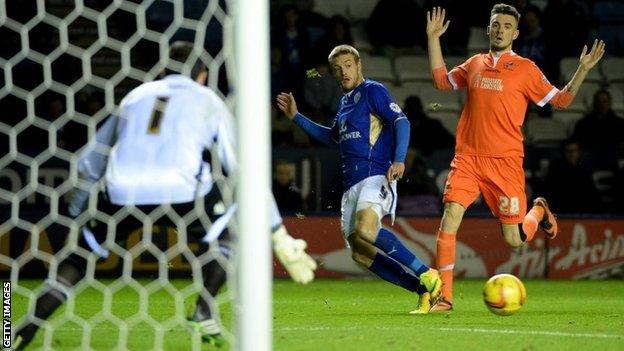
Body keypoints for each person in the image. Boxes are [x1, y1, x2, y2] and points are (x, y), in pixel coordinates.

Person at [13, 41, 317, 349]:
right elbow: (243, 171)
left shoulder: (134, 97)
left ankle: (21, 327)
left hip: (121, 193)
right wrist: (278, 235)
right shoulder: (208, 99)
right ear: (201, 76)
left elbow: (88, 164)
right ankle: (203, 308)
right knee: (229, 234)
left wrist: (77, 214)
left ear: (160, 72)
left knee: (79, 258)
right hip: (181, 190)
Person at [423, 4, 605, 312]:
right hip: (468, 158)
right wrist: (433, 38)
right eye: (496, 24)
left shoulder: (526, 69)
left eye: (507, 25)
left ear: (515, 33)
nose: (500, 29)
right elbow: (442, 82)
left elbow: (560, 100)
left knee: (514, 239)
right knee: (449, 219)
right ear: (488, 29)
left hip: (505, 163)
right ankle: (444, 297)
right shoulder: (474, 63)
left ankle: (539, 211)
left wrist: (583, 70)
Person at [276, 44, 442, 314]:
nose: (344, 72)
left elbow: (402, 121)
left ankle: (428, 273)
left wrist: (399, 158)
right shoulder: (344, 105)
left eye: (348, 65)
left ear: (359, 65)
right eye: (337, 68)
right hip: (351, 186)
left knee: (367, 231)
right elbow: (331, 138)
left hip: (375, 175)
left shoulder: (372, 91)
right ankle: (422, 289)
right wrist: (296, 117)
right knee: (360, 253)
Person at [544, 139, 601, 214]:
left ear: (578, 152)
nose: (572, 154)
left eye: (574, 150)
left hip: (583, 210)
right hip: (563, 210)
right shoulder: (556, 170)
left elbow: (591, 192)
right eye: (568, 151)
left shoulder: (583, 170)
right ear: (563, 153)